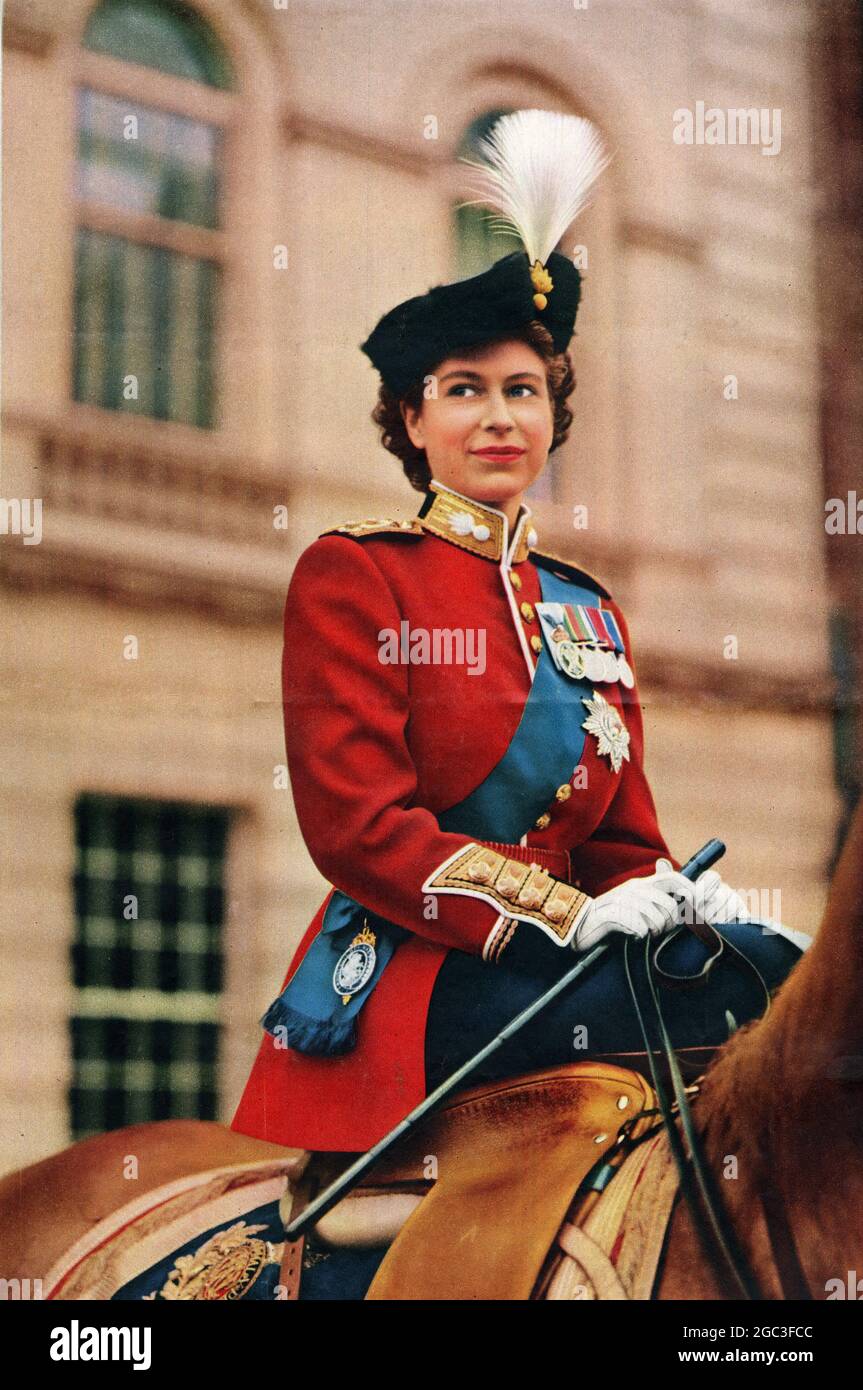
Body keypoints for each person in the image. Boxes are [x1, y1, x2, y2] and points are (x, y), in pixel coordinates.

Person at [230, 111, 808, 1164]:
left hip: (573, 963)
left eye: (521, 392)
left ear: (550, 418)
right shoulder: (356, 575)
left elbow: (621, 845)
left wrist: (684, 893)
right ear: (411, 420)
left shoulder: (586, 607)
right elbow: (356, 829)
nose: (497, 417)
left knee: (773, 975)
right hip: (423, 975)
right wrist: (564, 915)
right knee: (687, 1010)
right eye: (463, 392)